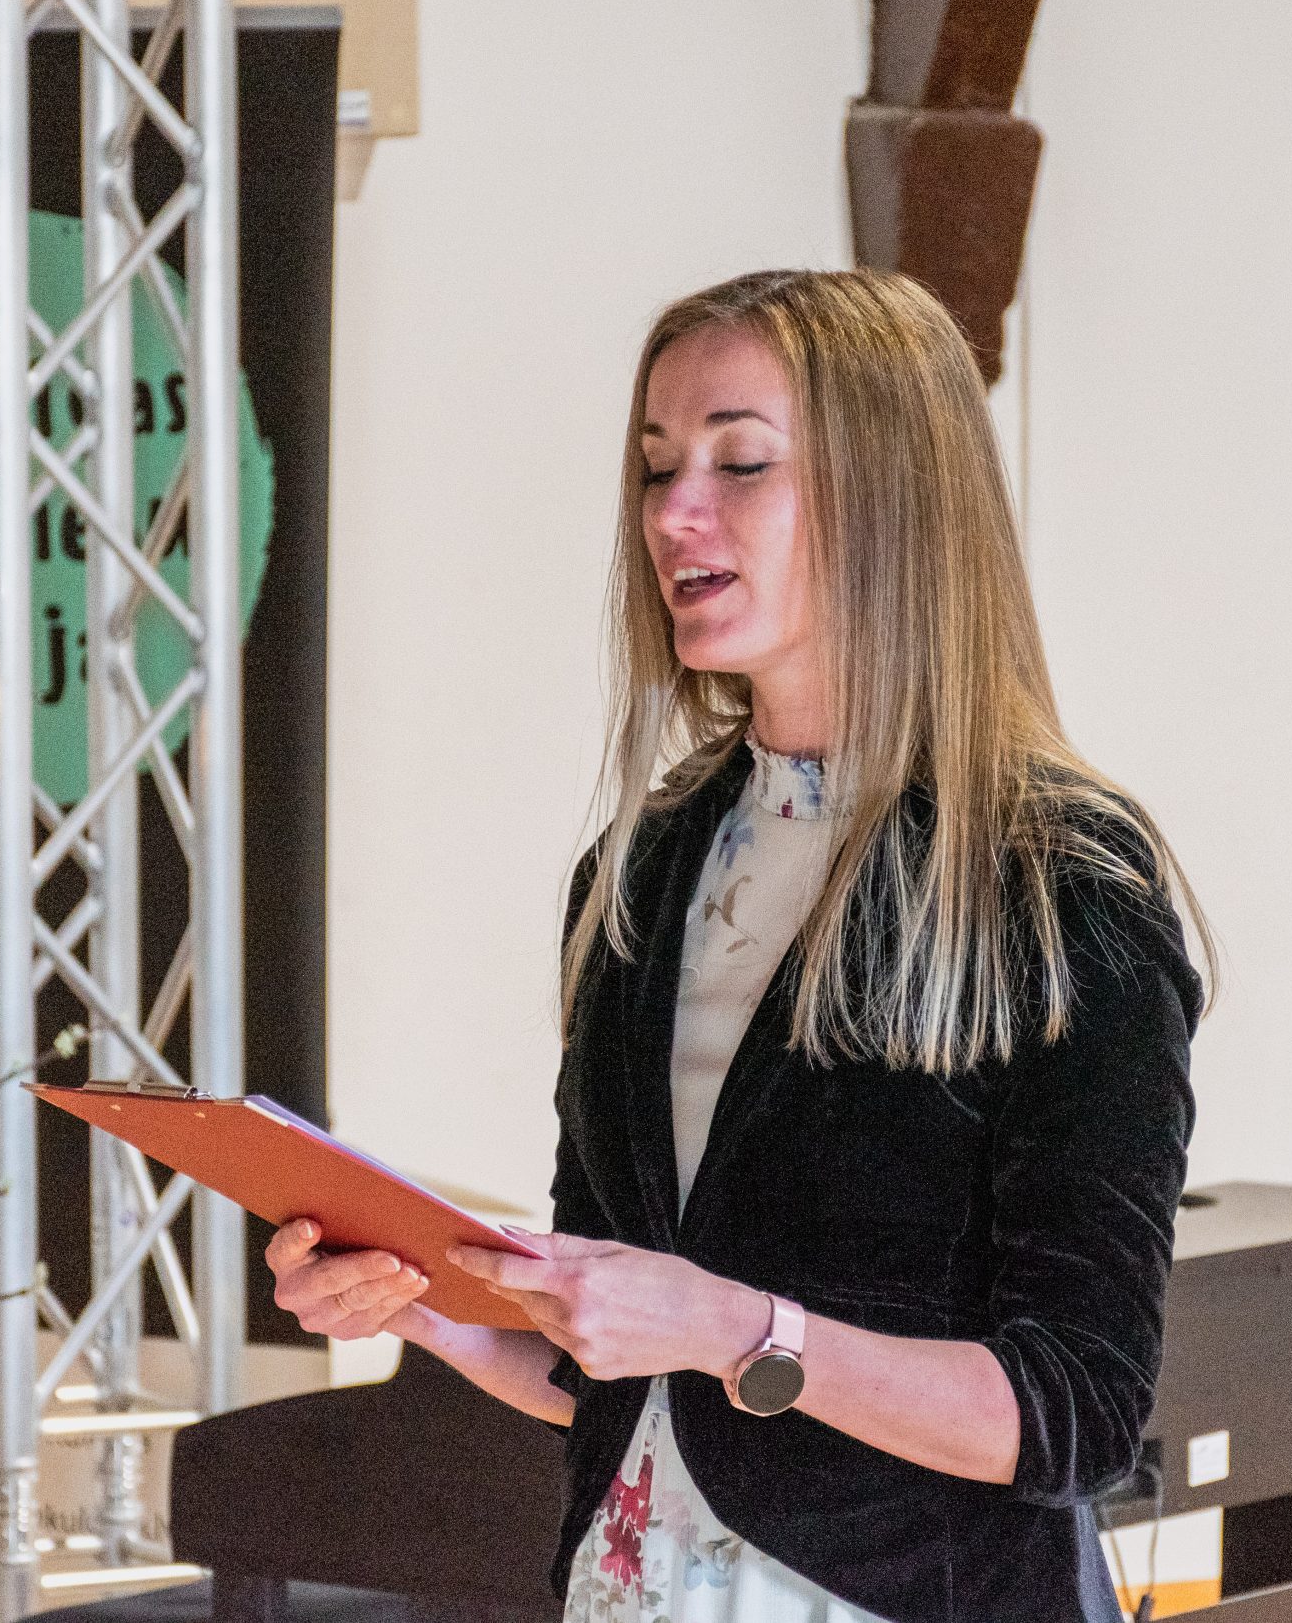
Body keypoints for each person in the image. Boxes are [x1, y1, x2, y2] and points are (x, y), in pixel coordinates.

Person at [267, 269, 1206, 1622]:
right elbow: (616, 1373)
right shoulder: (643, 869)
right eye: (658, 469)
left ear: (894, 498)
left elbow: (1075, 1414)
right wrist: (421, 1305)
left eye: (740, 463)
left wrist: (734, 1327)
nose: (672, 514)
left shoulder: (1056, 884)